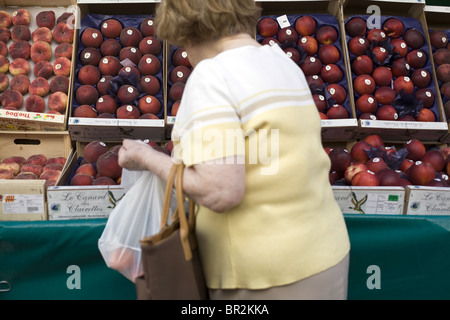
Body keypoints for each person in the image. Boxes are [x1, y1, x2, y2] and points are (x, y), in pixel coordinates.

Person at [118, 0, 350, 300]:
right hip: (325, 252)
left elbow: (220, 192)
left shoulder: (213, 76)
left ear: (187, 31)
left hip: (263, 275)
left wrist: (146, 158)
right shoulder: (281, 62)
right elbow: (265, 154)